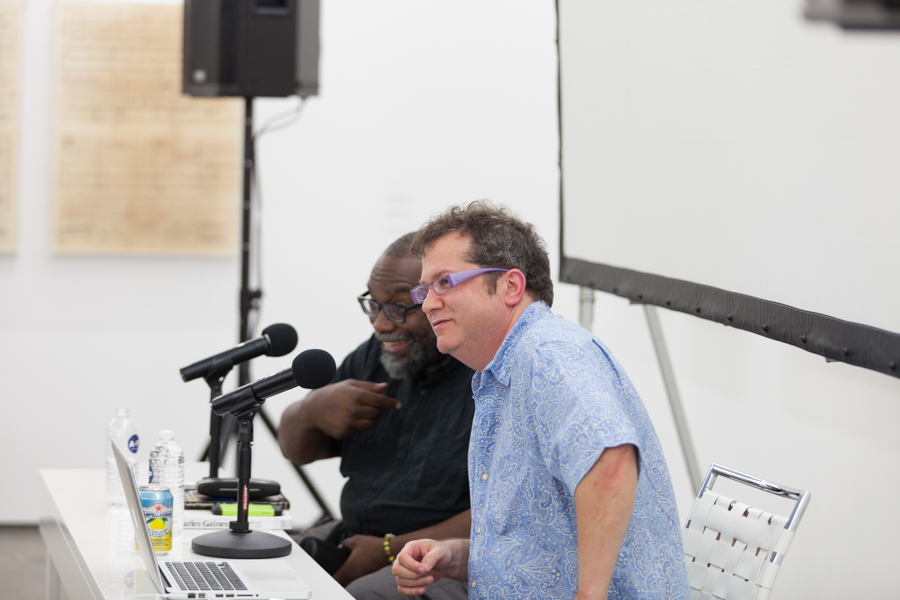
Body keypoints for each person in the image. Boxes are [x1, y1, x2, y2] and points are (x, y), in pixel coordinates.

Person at [391, 202, 690, 599]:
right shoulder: (505, 370)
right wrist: (453, 555)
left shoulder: (549, 353)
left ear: (510, 286)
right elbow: (537, 546)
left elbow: (611, 460)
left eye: (444, 283)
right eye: (425, 289)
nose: (427, 303)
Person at [278, 233, 473, 600]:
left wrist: (389, 549)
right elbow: (297, 450)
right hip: (353, 537)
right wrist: (312, 409)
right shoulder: (376, 355)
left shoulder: (485, 378)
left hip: (439, 559)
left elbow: (497, 514)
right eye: (374, 304)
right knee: (266, 567)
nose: (381, 324)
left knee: (364, 594)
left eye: (399, 306)